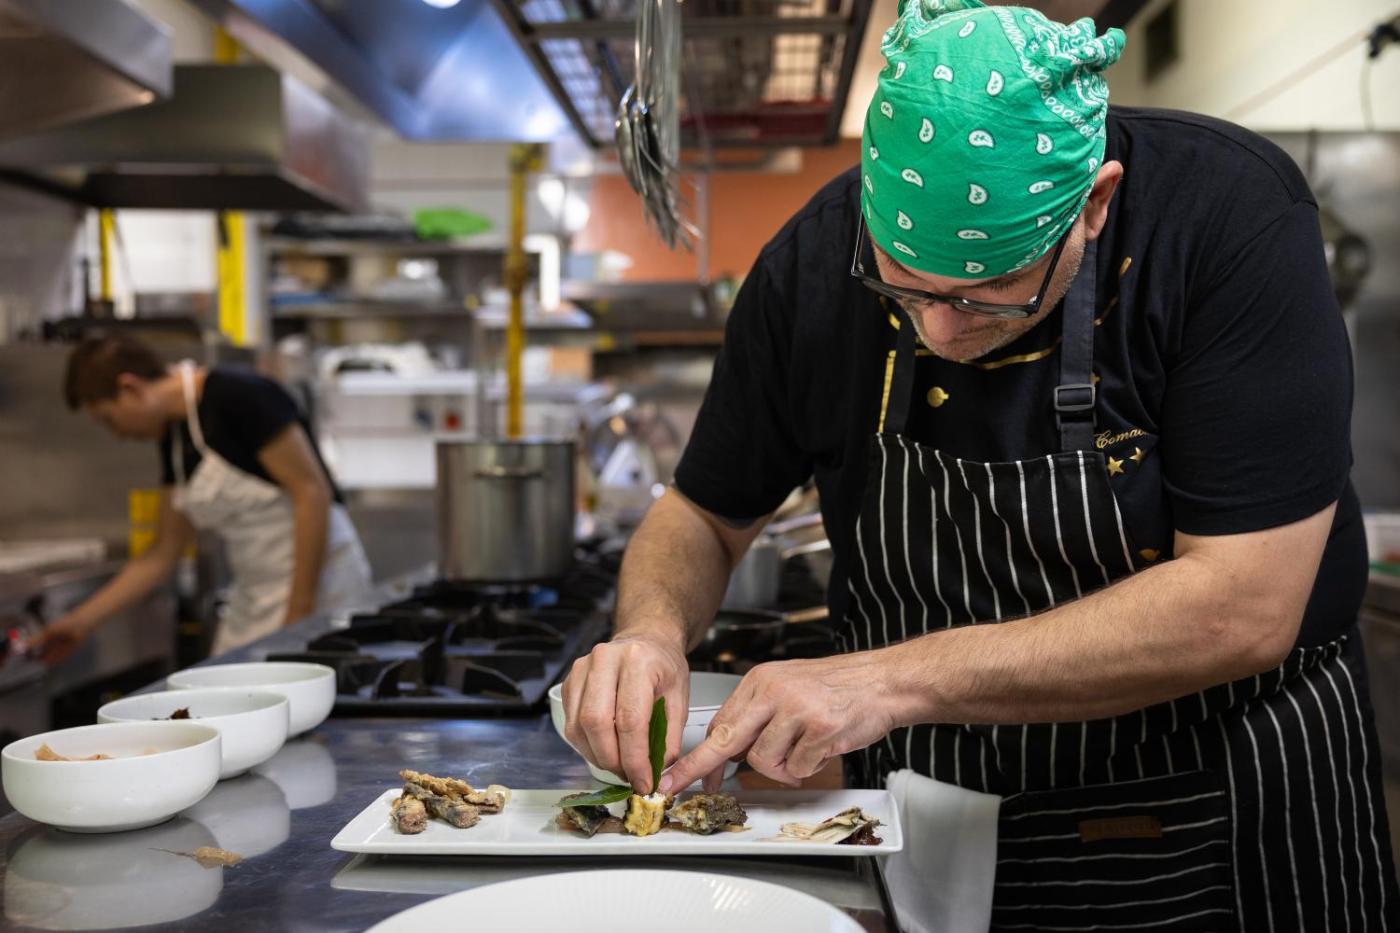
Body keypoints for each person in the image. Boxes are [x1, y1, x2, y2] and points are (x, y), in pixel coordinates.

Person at [561, 0, 1399, 927]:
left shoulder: (1227, 220)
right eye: (903, 288)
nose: (941, 329)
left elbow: (1244, 603)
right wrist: (650, 632)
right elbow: (704, 512)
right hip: (937, 806)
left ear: (1094, 205)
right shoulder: (812, 260)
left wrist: (883, 679)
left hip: (1219, 804)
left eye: (990, 292)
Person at [40, 333, 371, 662]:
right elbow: (164, 551)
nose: (117, 434)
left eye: (108, 419)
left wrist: (297, 616)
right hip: (255, 594)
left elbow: (311, 492)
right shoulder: (174, 436)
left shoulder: (239, 394)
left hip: (321, 586)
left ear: (131, 388)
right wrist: (79, 623)